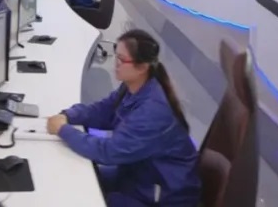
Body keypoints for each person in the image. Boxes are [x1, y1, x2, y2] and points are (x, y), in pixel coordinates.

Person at [47, 30, 200, 207]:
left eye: (121, 59)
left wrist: (63, 130)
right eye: (116, 55)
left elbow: (108, 152)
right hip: (137, 174)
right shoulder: (133, 86)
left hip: (160, 196)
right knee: (75, 177)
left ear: (142, 67)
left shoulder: (153, 112)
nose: (115, 63)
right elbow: (103, 110)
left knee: (83, 195)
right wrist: (68, 115)